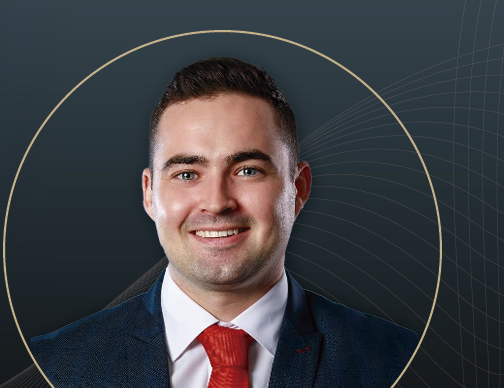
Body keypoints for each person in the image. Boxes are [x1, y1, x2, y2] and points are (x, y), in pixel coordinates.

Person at [28, 57, 419, 388]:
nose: (216, 202)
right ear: (150, 194)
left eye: (248, 170)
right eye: (186, 174)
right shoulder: (53, 367)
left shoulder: (399, 361)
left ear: (297, 188)